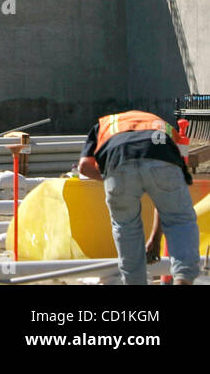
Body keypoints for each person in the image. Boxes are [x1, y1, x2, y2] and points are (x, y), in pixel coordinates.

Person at [78, 110, 199, 285]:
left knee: (126, 229)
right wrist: (156, 240)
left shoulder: (105, 124)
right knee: (179, 220)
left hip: (117, 161)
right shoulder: (161, 124)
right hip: (162, 157)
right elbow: (168, 200)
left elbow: (84, 167)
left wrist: (114, 178)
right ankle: (183, 278)